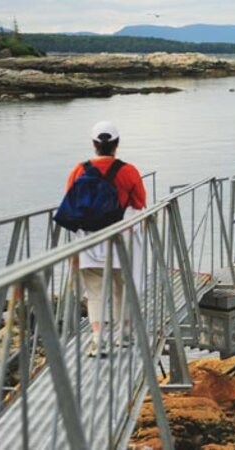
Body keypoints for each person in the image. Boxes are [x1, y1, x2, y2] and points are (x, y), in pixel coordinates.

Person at [64, 120, 147, 357]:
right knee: (123, 286)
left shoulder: (80, 170)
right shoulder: (128, 171)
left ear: (93, 144)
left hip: (90, 240)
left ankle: (98, 339)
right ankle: (124, 334)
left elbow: (70, 202)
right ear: (117, 144)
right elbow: (140, 202)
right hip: (120, 239)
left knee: (95, 292)